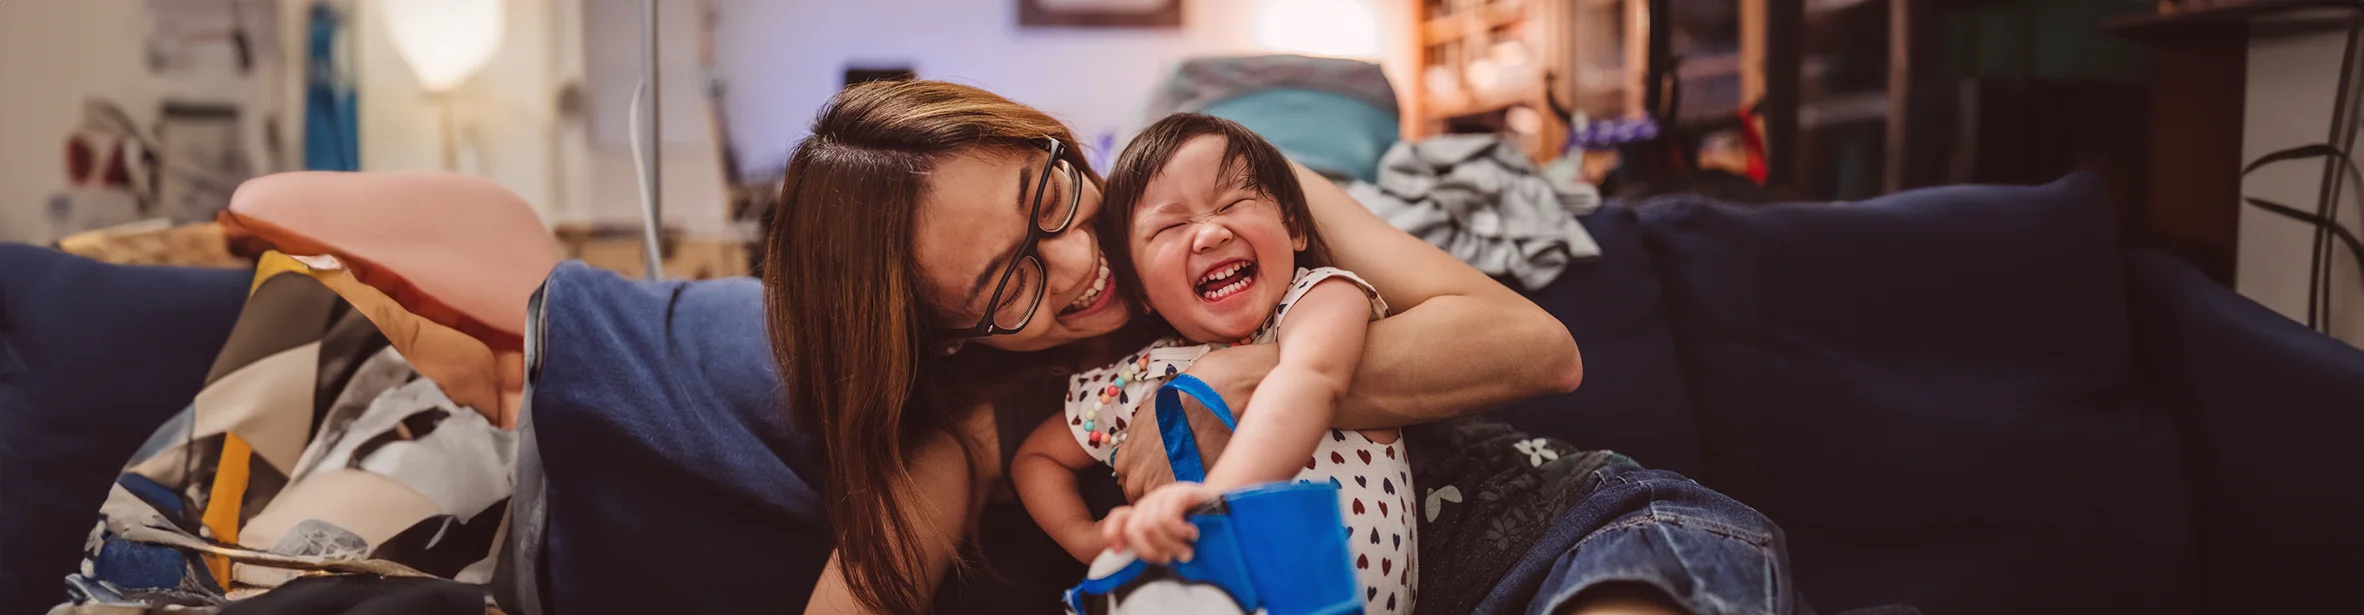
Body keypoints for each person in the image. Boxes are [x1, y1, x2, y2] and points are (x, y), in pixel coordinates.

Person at [762, 79, 1794, 615]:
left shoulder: (1214, 188)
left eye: (1048, 193)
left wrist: (1238, 375)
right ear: (943, 336)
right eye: (1009, 283)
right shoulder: (979, 433)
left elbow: (1536, 348)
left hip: (1572, 528)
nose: (1081, 257)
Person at [1010, 114, 1417, 613]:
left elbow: (1308, 380)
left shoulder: (1320, 297)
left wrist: (1215, 498)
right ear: (1139, 289)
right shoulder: (1137, 379)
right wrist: (1089, 539)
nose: (1209, 234)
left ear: (1292, 225)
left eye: (1232, 203)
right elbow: (1039, 459)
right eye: (1170, 226)